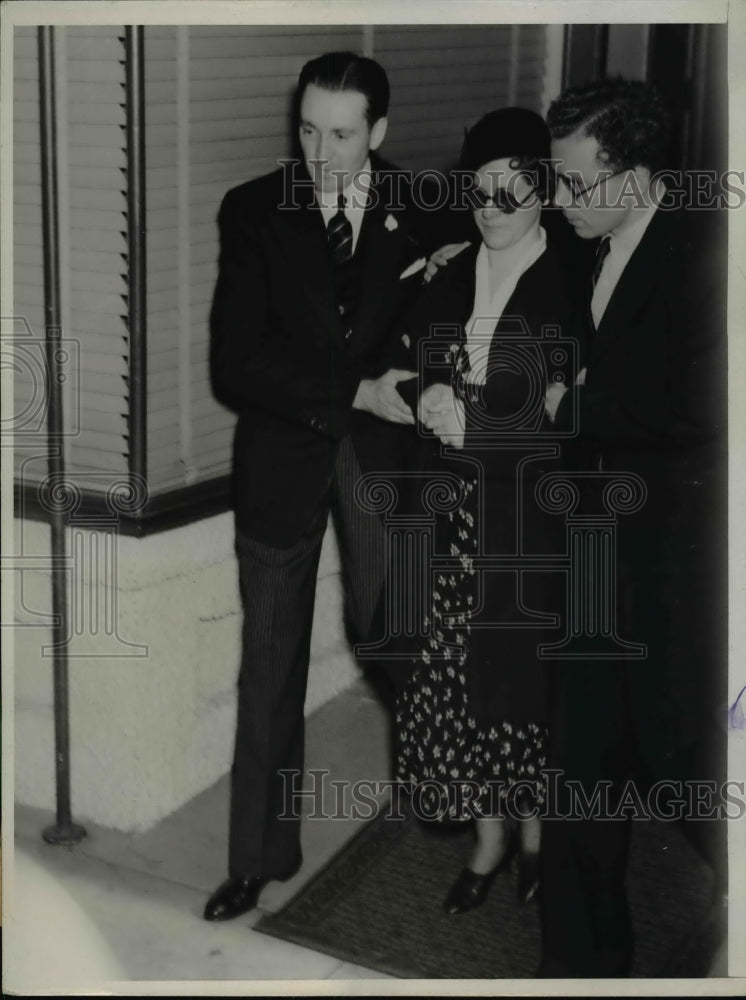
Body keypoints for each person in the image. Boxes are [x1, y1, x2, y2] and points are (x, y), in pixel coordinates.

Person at [206, 51, 443, 921]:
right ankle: (257, 858)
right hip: (286, 456)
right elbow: (236, 362)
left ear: (377, 133)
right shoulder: (255, 212)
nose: (320, 153)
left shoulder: (421, 207)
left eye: (341, 135)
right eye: (307, 130)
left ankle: (442, 789)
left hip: (382, 456)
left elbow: (452, 304)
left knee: (396, 632)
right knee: (269, 662)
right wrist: (351, 388)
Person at [539, 77, 727, 977]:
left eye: (576, 184)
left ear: (638, 174)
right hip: (589, 559)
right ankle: (581, 968)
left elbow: (702, 403)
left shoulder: (709, 253)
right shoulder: (582, 242)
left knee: (681, 770)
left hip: (671, 570)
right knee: (579, 773)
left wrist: (570, 405)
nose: (561, 202)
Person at [382, 108, 572, 915]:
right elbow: (410, 345)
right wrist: (426, 387)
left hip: (524, 523)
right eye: (481, 194)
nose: (491, 209)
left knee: (519, 691)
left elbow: (562, 410)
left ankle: (537, 840)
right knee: (455, 689)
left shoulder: (570, 279)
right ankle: (489, 840)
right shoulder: (456, 269)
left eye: (510, 194)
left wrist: (480, 417)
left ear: (545, 193)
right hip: (452, 517)